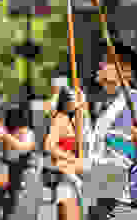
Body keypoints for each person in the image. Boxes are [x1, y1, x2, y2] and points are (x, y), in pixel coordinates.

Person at [84, 40, 137, 220]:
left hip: (119, 206)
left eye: (105, 65)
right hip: (108, 202)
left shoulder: (132, 105)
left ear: (126, 70)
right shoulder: (111, 106)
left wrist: (80, 167)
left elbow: (118, 164)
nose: (99, 74)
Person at [45, 85, 89, 220]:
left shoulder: (74, 120)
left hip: (76, 174)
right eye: (75, 101)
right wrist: (70, 158)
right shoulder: (61, 119)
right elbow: (49, 146)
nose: (78, 104)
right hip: (65, 174)